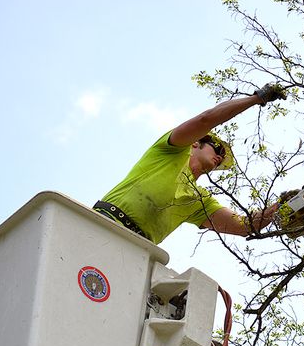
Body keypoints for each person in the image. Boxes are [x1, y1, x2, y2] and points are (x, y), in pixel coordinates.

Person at [94, 84, 286, 243]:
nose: (220, 155)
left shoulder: (198, 199)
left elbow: (245, 226)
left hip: (136, 249)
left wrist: (283, 205)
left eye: (222, 157)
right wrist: (257, 98)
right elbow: (206, 120)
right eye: (217, 147)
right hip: (101, 222)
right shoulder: (171, 150)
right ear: (196, 143)